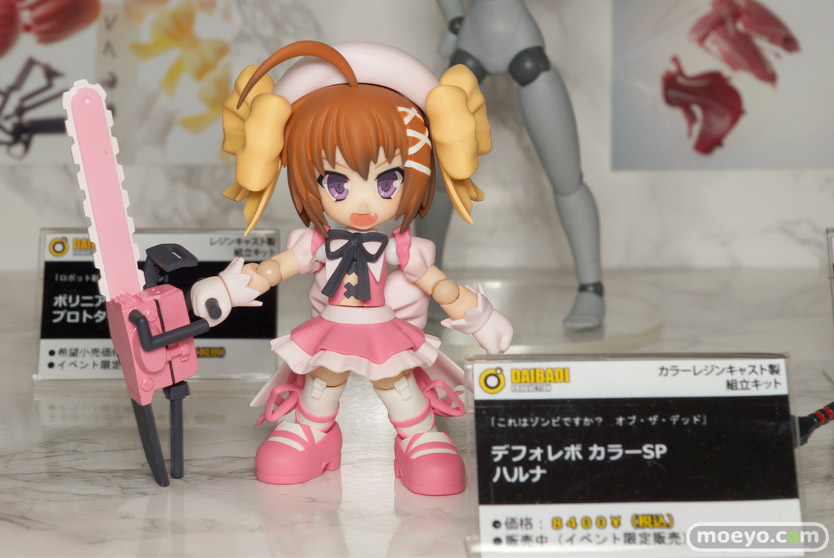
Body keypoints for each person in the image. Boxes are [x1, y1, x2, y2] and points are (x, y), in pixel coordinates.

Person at [191, 40, 512, 496]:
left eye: (387, 182)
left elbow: (436, 284)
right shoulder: (314, 243)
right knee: (322, 382)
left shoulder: (402, 247)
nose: (364, 203)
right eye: (337, 184)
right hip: (333, 326)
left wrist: (480, 317)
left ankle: (417, 437)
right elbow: (274, 270)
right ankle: (314, 433)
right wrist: (230, 288)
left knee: (397, 384)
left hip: (382, 327)